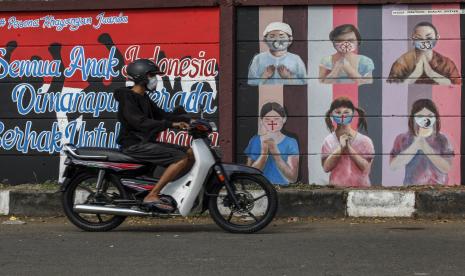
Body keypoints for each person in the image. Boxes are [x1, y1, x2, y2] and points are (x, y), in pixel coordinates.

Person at [114, 59, 194, 212]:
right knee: (180, 158)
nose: (154, 79)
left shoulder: (144, 98)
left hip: (145, 142)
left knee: (191, 153)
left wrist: (190, 119)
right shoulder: (128, 98)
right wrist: (171, 125)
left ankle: (170, 190)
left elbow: (163, 115)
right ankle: (153, 194)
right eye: (151, 75)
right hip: (134, 145)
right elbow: (140, 122)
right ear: (141, 77)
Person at [390, 99, 454, 185]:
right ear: (413, 118)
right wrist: (415, 145)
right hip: (411, 189)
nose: (425, 120)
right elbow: (393, 166)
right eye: (420, 116)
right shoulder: (403, 139)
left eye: (430, 116)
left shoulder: (442, 139)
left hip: (439, 190)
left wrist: (425, 147)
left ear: (435, 117)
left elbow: (447, 167)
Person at [321, 97, 374, 187]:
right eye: (338, 112)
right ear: (332, 114)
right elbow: (326, 168)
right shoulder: (328, 141)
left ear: (353, 114)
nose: (342, 116)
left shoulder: (365, 141)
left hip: (361, 190)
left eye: (346, 112)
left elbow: (366, 168)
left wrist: (349, 148)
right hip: (336, 191)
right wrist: (340, 148)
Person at [387, 22, 460, 85]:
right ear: (412, 39)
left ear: (437, 38)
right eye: (419, 38)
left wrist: (432, 74)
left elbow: (458, 86)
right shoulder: (402, 63)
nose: (424, 42)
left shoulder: (447, 64)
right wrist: (415, 74)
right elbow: (391, 89)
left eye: (429, 38)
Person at [244, 102, 299, 185]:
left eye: (276, 118)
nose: (272, 122)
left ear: (284, 119)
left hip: (283, 188)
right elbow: (249, 176)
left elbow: (293, 178)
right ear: (261, 120)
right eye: (267, 119)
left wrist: (276, 155)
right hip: (260, 188)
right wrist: (263, 155)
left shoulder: (291, 142)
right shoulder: (255, 141)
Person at [247, 22, 307, 86]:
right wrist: (264, 76)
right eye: (272, 36)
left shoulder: (296, 59)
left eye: (281, 36)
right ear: (265, 40)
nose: (277, 39)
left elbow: (304, 83)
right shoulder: (258, 58)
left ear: (290, 40)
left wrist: (288, 77)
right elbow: (250, 83)